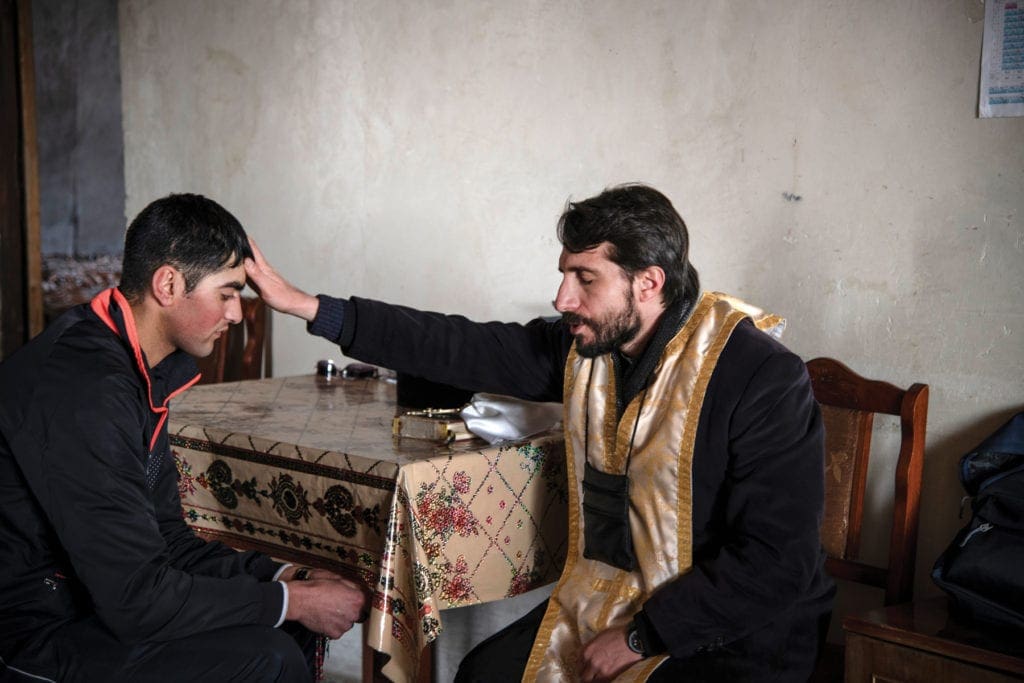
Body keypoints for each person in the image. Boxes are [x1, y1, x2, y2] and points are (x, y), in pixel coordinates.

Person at [245, 183, 835, 682]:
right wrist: (311, 308)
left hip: (732, 630)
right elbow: (458, 344)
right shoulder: (586, 346)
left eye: (585, 278)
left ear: (649, 283)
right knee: (482, 674)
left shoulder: (758, 376)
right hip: (617, 593)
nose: (562, 298)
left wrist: (641, 637)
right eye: (563, 275)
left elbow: (777, 563)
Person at [0, 194, 367, 683]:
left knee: (290, 630)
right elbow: (136, 600)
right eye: (227, 293)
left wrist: (283, 579)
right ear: (169, 284)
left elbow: (169, 539)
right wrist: (291, 600)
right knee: (269, 654)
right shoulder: (86, 388)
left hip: (89, 599)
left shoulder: (138, 368)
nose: (237, 314)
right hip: (32, 628)